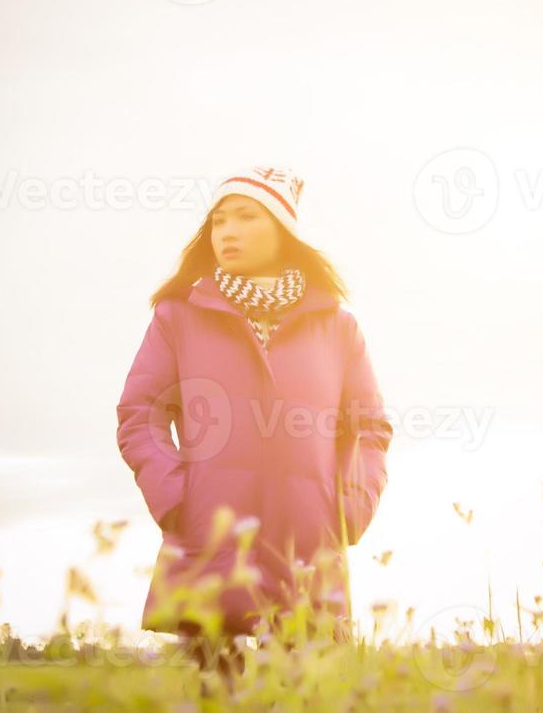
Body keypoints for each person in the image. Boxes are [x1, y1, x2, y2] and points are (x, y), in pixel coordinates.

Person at [115, 166, 393, 698]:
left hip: (310, 553)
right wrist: (178, 500)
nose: (228, 231)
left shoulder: (338, 327)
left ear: (284, 230)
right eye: (218, 220)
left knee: (306, 702)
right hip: (209, 550)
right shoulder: (179, 316)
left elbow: (369, 429)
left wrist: (350, 508)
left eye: (246, 217)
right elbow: (141, 415)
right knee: (217, 699)